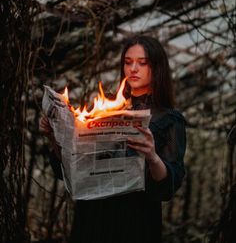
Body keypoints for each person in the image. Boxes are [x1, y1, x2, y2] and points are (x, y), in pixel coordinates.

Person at [39, 34, 187, 243]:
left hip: (134, 221)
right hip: (92, 215)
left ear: (157, 67)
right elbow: (70, 170)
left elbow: (169, 186)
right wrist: (54, 137)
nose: (133, 68)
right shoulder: (104, 109)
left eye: (141, 63)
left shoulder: (170, 120)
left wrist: (152, 156)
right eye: (128, 62)